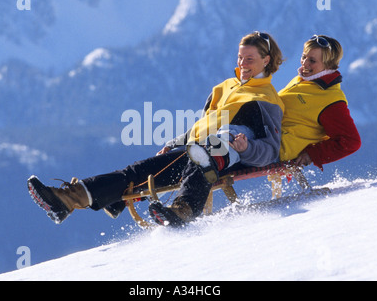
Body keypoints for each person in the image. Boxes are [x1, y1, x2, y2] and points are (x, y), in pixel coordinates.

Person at [27, 31, 285, 227]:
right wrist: (175, 143)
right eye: (240, 57)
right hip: (195, 148)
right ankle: (65, 200)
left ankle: (183, 208)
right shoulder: (225, 87)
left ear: (266, 60)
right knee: (137, 171)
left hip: (226, 155)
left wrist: (248, 147)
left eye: (250, 59)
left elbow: (270, 151)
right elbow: (202, 126)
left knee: (203, 156)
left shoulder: (266, 100)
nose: (243, 64)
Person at [278, 35, 361, 169]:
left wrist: (312, 154)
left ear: (328, 65)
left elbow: (351, 141)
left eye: (312, 60)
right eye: (304, 57)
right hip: (265, 134)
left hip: (275, 146)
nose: (305, 63)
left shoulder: (330, 100)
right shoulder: (303, 80)